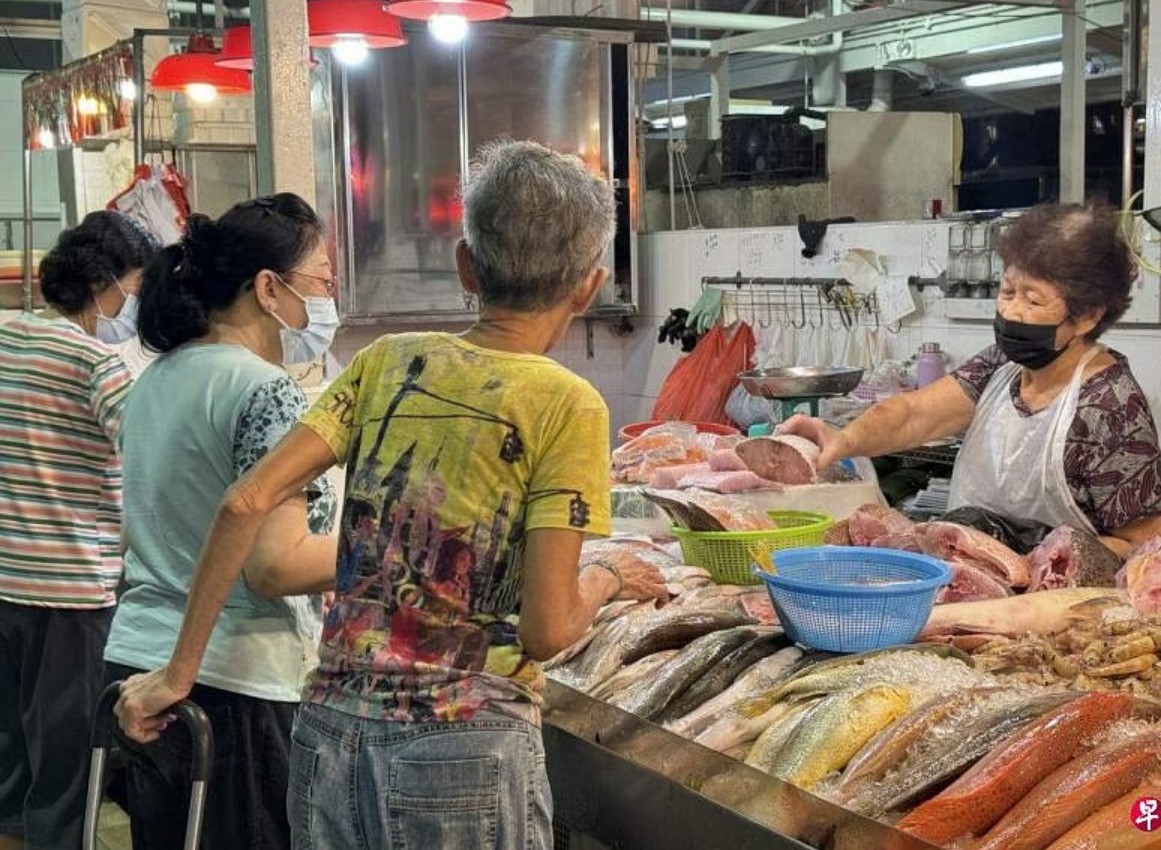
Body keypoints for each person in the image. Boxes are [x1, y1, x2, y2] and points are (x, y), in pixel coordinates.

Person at [115, 140, 668, 849]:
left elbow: (244, 502)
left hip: (329, 735)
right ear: (589, 287)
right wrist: (610, 575)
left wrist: (175, 673)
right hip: (463, 747)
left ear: (466, 265)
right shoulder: (568, 404)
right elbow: (547, 629)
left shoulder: (386, 363)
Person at [102, 194, 340, 850]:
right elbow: (274, 565)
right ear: (269, 288)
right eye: (322, 280)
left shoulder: (157, 378)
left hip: (137, 664)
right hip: (230, 683)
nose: (326, 297)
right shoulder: (266, 390)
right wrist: (391, 552)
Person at [782, 203, 1161, 558]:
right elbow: (914, 414)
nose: (1011, 310)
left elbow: (1154, 547)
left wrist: (1042, 564)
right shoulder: (1002, 365)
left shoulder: (1110, 406)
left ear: (1088, 316)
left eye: (1033, 299)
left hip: (1054, 608)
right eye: (1007, 291)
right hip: (972, 577)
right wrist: (843, 439)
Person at [0, 211, 156, 850]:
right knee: (67, 770)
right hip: (70, 595)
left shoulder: (6, 341)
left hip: (5, 581)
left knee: (10, 762)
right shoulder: (99, 366)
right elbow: (151, 461)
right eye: (133, 287)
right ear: (102, 283)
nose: (133, 304)